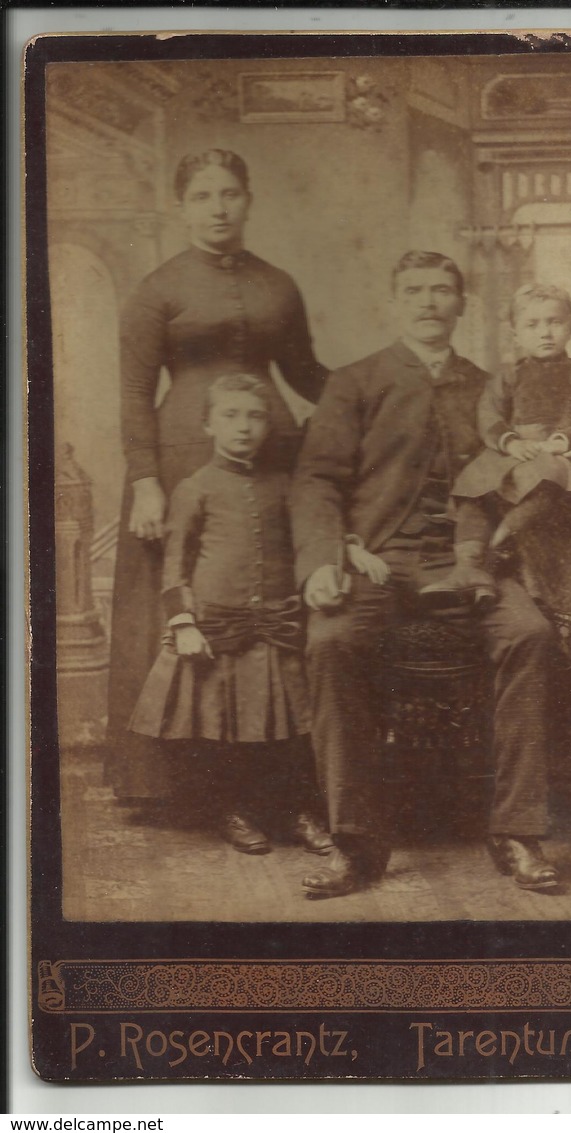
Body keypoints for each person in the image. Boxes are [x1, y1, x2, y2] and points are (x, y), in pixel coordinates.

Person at [290, 251, 571, 899]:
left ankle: (517, 832)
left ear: (462, 303)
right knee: (328, 641)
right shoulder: (357, 381)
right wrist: (320, 562)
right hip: (377, 562)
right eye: (413, 290)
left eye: (442, 290)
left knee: (527, 632)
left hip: (472, 559)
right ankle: (356, 842)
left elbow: (560, 430)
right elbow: (316, 479)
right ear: (394, 302)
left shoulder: (492, 383)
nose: (428, 302)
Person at [107, 148, 326, 804]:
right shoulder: (158, 289)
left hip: (274, 449)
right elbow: (132, 394)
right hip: (182, 456)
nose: (218, 207)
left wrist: (377, 389)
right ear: (182, 206)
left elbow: (306, 373)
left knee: (269, 591)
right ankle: (177, 781)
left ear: (248, 199)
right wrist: (147, 480)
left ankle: (279, 771)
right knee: (184, 598)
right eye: (202, 196)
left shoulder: (278, 284)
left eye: (229, 193)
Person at [128, 374, 332, 856]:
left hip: (279, 627)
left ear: (268, 426)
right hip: (217, 627)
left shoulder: (285, 486)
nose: (244, 427)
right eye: (231, 415)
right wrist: (184, 623)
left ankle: (296, 812)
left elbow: (309, 540)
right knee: (221, 731)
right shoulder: (195, 487)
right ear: (208, 425)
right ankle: (231, 810)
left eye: (256, 416)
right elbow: (176, 562)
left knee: (289, 732)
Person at [421, 282, 571, 604]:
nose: (545, 333)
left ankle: (493, 556)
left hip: (559, 453)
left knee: (547, 483)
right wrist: (509, 442)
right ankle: (467, 569)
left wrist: (564, 439)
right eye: (532, 325)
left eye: (555, 322)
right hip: (517, 451)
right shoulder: (509, 376)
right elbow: (489, 414)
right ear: (516, 334)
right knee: (474, 491)